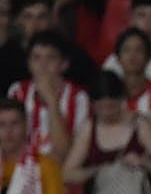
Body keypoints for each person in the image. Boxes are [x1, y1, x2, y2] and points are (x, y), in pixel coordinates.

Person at [62, 71, 151, 194]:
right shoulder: (89, 128)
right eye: (101, 108)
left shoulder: (140, 125)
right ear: (93, 105)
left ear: (121, 100)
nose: (106, 113)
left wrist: (142, 162)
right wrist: (98, 170)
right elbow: (67, 173)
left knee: (125, 173)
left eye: (111, 107)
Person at [6, 30, 89, 163]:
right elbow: (8, 143)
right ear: (29, 63)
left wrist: (51, 101)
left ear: (64, 64)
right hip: (21, 168)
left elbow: (66, 153)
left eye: (51, 57)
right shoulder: (18, 91)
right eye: (36, 58)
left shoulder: (78, 97)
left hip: (60, 171)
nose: (42, 64)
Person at [0, 97, 66, 194]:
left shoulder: (46, 165)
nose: (8, 132)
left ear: (26, 126)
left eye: (14, 124)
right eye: (1, 125)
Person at [108, 28, 151, 131]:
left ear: (148, 57)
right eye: (126, 50)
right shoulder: (107, 96)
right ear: (118, 58)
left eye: (139, 50)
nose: (132, 56)